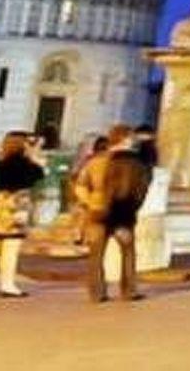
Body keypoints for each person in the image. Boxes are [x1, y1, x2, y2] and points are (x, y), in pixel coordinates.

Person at [75, 124, 150, 303]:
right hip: (124, 212)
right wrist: (136, 206)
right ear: (125, 139)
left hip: (98, 212)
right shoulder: (136, 163)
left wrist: (90, 202)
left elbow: (80, 186)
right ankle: (129, 290)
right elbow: (142, 188)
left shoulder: (95, 161)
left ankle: (97, 292)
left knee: (96, 254)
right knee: (128, 252)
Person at [0, 131, 46, 297]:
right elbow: (40, 175)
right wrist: (35, 154)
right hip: (17, 208)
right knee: (11, 248)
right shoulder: (26, 165)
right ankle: (7, 285)